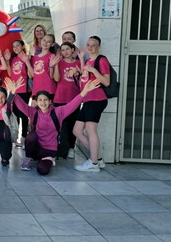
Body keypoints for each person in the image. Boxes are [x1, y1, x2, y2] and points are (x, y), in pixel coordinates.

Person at [8, 77, 100, 175]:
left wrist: (85, 91)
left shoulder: (58, 112)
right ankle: (28, 158)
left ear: (50, 101)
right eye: (40, 100)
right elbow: (21, 105)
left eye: (45, 100)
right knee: (31, 136)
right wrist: (13, 92)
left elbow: (72, 104)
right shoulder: (33, 112)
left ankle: (48, 160)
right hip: (36, 148)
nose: (43, 103)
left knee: (42, 170)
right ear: (36, 102)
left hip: (49, 150)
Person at [74, 35, 111, 172]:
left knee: (90, 130)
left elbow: (106, 82)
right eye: (88, 44)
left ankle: (94, 163)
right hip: (88, 99)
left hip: (97, 99)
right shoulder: (89, 60)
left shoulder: (102, 60)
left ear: (99, 47)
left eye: (93, 45)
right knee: (77, 131)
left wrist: (94, 70)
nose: (90, 47)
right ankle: (98, 159)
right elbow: (84, 82)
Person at [52, 42, 82, 159]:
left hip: (74, 99)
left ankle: (71, 148)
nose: (65, 52)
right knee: (61, 125)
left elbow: (82, 80)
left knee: (72, 125)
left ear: (73, 49)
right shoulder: (59, 63)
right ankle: (61, 148)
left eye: (67, 49)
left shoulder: (78, 63)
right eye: (63, 50)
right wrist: (55, 65)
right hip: (59, 98)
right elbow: (56, 79)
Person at [3, 40, 34, 144]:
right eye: (14, 46)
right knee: (15, 113)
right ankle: (15, 135)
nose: (15, 48)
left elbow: (31, 75)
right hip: (14, 90)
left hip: (23, 90)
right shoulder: (14, 59)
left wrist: (27, 61)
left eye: (17, 46)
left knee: (24, 114)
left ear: (22, 46)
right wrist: (7, 61)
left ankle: (24, 136)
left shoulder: (28, 57)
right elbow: (10, 73)